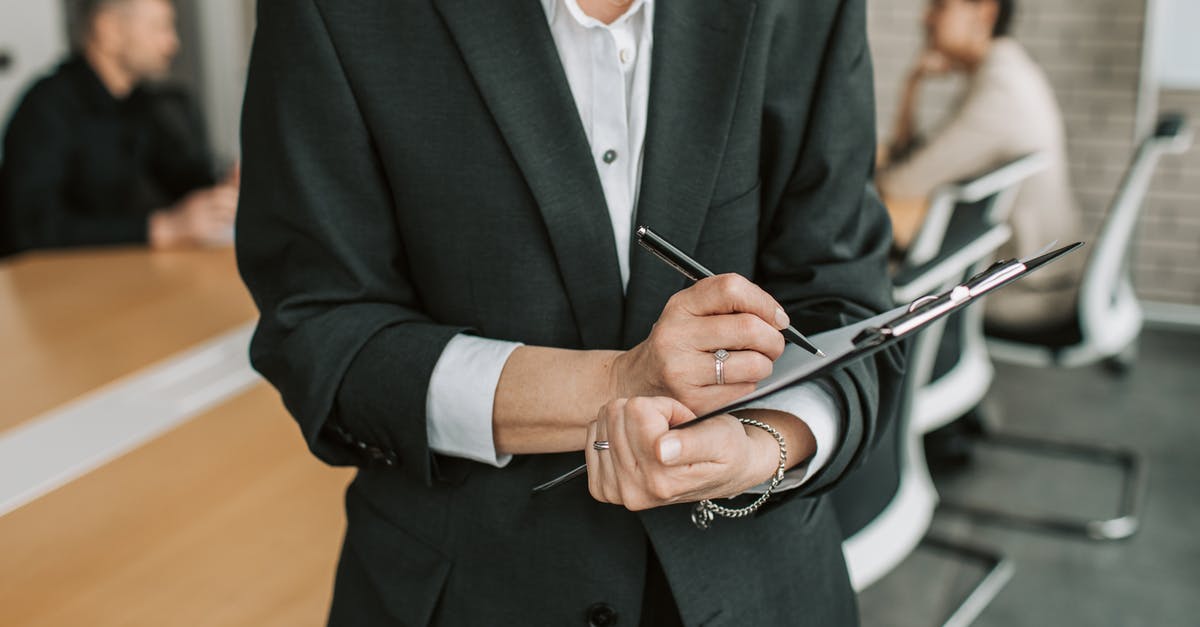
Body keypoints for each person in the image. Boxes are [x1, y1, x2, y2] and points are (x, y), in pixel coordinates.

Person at [237, 0, 902, 624]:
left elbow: (845, 301)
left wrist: (762, 446)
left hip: (763, 587)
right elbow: (320, 328)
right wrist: (616, 384)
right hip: (466, 593)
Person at [877, 0, 1084, 332]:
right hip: (1032, 278)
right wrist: (912, 85)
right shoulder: (1004, 68)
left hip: (1028, 293)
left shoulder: (1000, 88)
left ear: (984, 12)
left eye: (940, 6)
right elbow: (913, 160)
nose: (925, 17)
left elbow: (900, 183)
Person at [0, 0, 236, 258]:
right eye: (159, 28)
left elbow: (180, 175)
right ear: (108, 30)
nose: (172, 43)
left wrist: (225, 184)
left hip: (117, 273)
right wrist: (159, 229)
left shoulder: (139, 103)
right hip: (48, 285)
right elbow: (33, 229)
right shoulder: (45, 107)